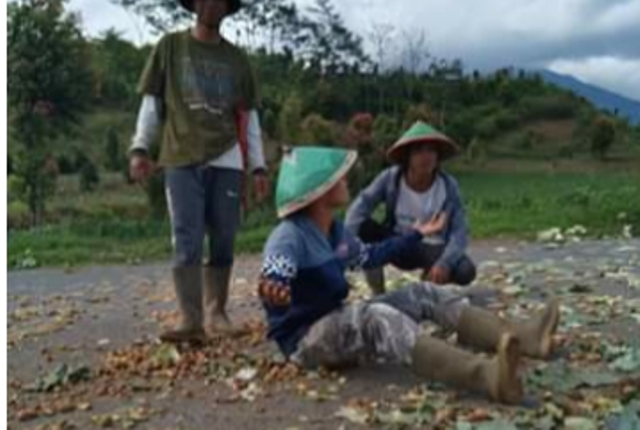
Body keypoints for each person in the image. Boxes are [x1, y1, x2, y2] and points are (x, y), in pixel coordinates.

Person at [258, 146, 560, 404]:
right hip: (305, 342)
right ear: (319, 190)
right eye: (338, 177)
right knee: (376, 315)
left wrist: (414, 235)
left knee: (422, 293)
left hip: (336, 320)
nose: (345, 180)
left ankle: (527, 338)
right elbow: (275, 270)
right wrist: (274, 286)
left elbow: (370, 255)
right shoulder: (289, 236)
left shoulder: (336, 232)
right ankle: (487, 377)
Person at [128, 0, 268, 342]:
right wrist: (141, 147)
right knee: (186, 237)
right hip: (181, 156)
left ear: (226, 8)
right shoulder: (171, 47)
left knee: (224, 236)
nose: (211, 5)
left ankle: (216, 312)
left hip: (227, 158)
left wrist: (259, 167)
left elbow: (248, 117)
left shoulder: (236, 60)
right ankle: (190, 319)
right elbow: (152, 103)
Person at [346, 121, 476, 295]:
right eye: (418, 151)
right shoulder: (391, 179)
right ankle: (378, 292)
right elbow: (361, 205)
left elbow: (459, 230)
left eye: (431, 150)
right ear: (407, 157)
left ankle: (428, 282)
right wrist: (345, 244)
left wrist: (445, 262)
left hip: (432, 247)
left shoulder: (448, 186)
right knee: (364, 227)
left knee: (465, 270)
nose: (426, 156)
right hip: (398, 242)